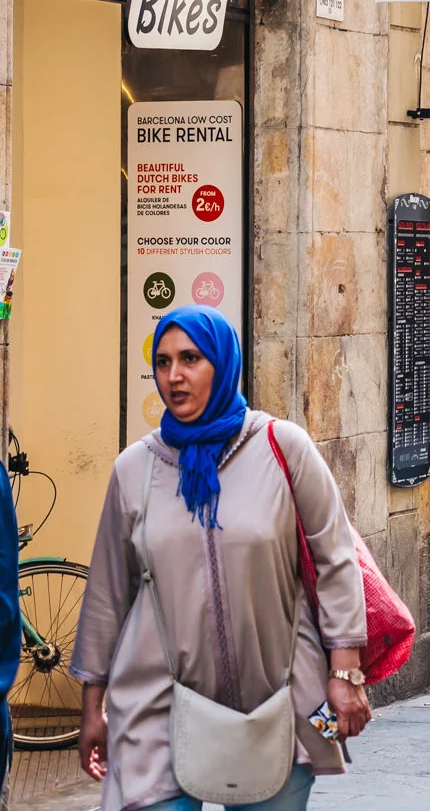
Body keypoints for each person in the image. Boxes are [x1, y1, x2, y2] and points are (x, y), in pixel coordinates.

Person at [74, 305, 372, 811]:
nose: (174, 376)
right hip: (156, 705)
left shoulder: (282, 448)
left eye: (190, 358)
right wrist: (93, 707)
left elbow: (335, 558)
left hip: (275, 696)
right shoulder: (135, 469)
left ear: (223, 361)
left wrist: (345, 673)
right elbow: (107, 594)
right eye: (163, 362)